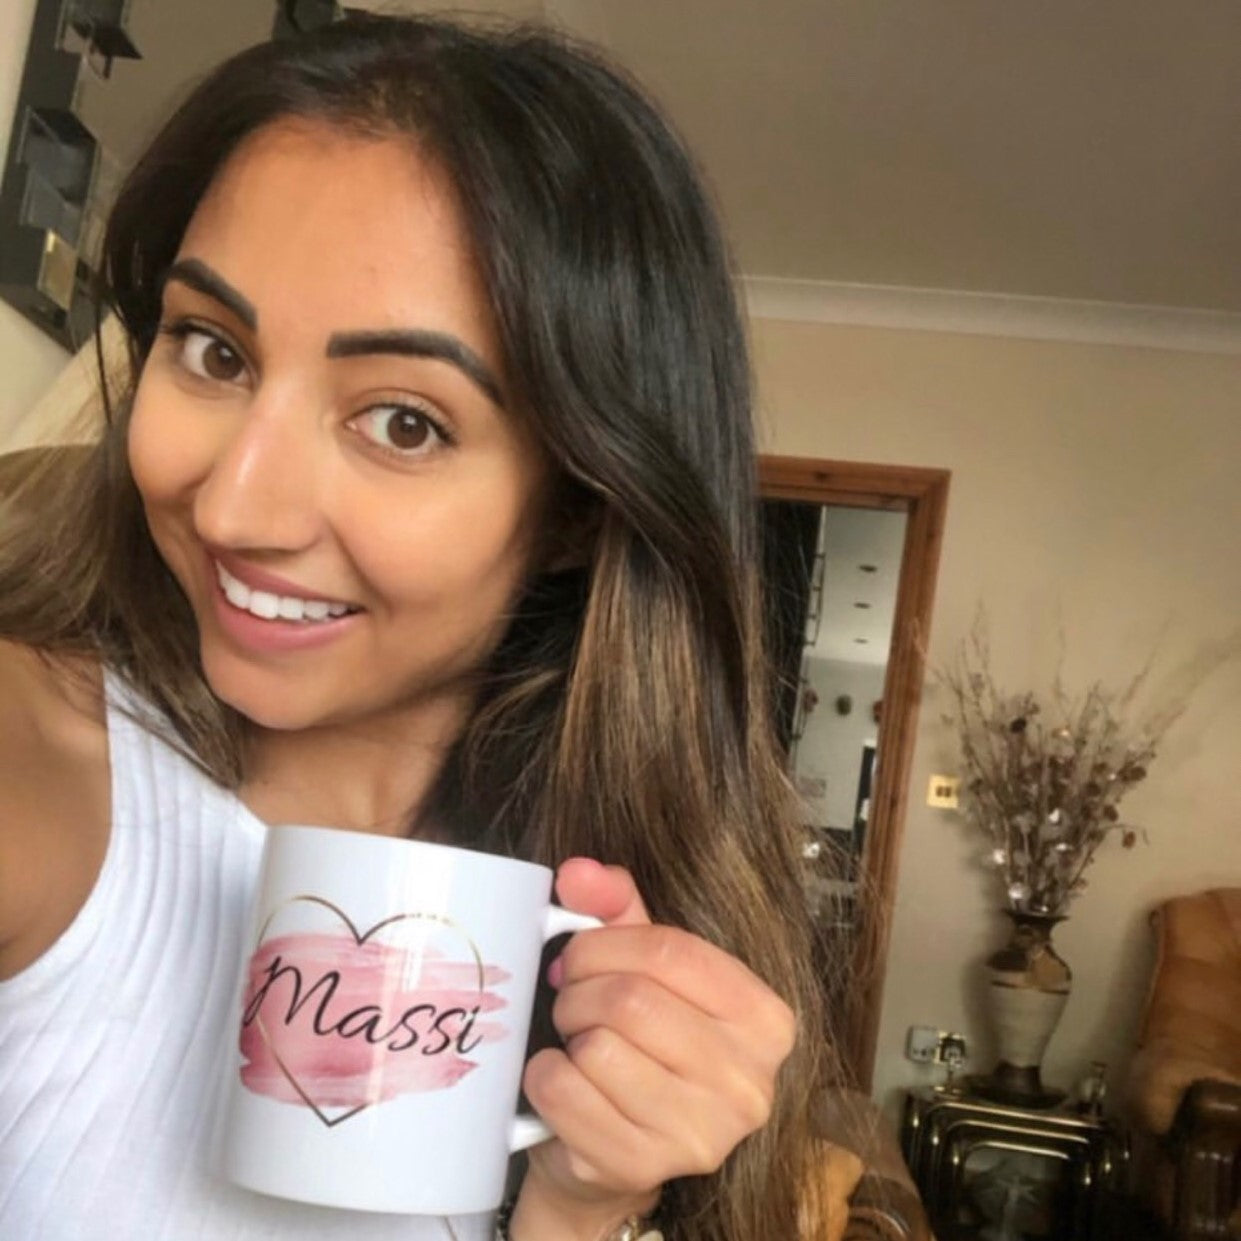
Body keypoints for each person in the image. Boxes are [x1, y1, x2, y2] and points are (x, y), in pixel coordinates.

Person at [0, 14, 838, 1241]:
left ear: (577, 507)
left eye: (402, 421)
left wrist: (580, 1208)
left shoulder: (589, 919)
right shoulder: (33, 758)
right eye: (213, 350)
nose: (233, 507)